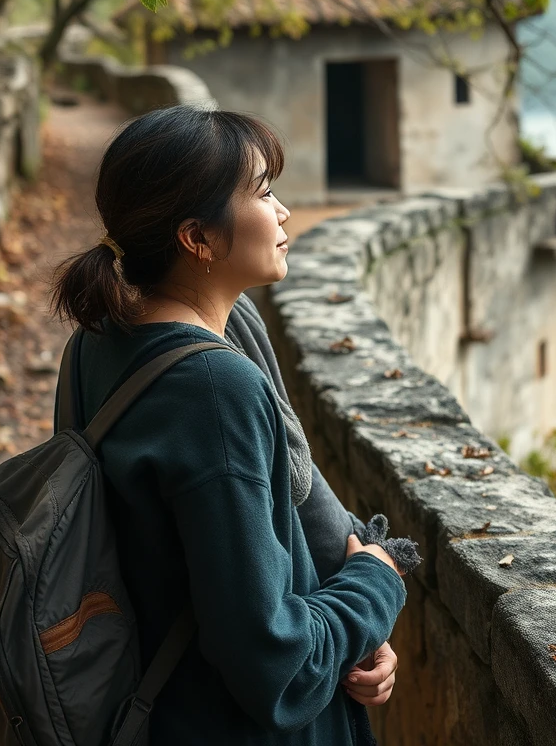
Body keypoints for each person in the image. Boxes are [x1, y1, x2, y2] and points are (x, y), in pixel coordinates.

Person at [50, 105, 408, 745]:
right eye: (265, 192)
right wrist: (376, 584)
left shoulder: (98, 342)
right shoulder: (215, 391)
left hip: (152, 706)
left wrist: (353, 630)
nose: (284, 213)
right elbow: (279, 664)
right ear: (198, 238)